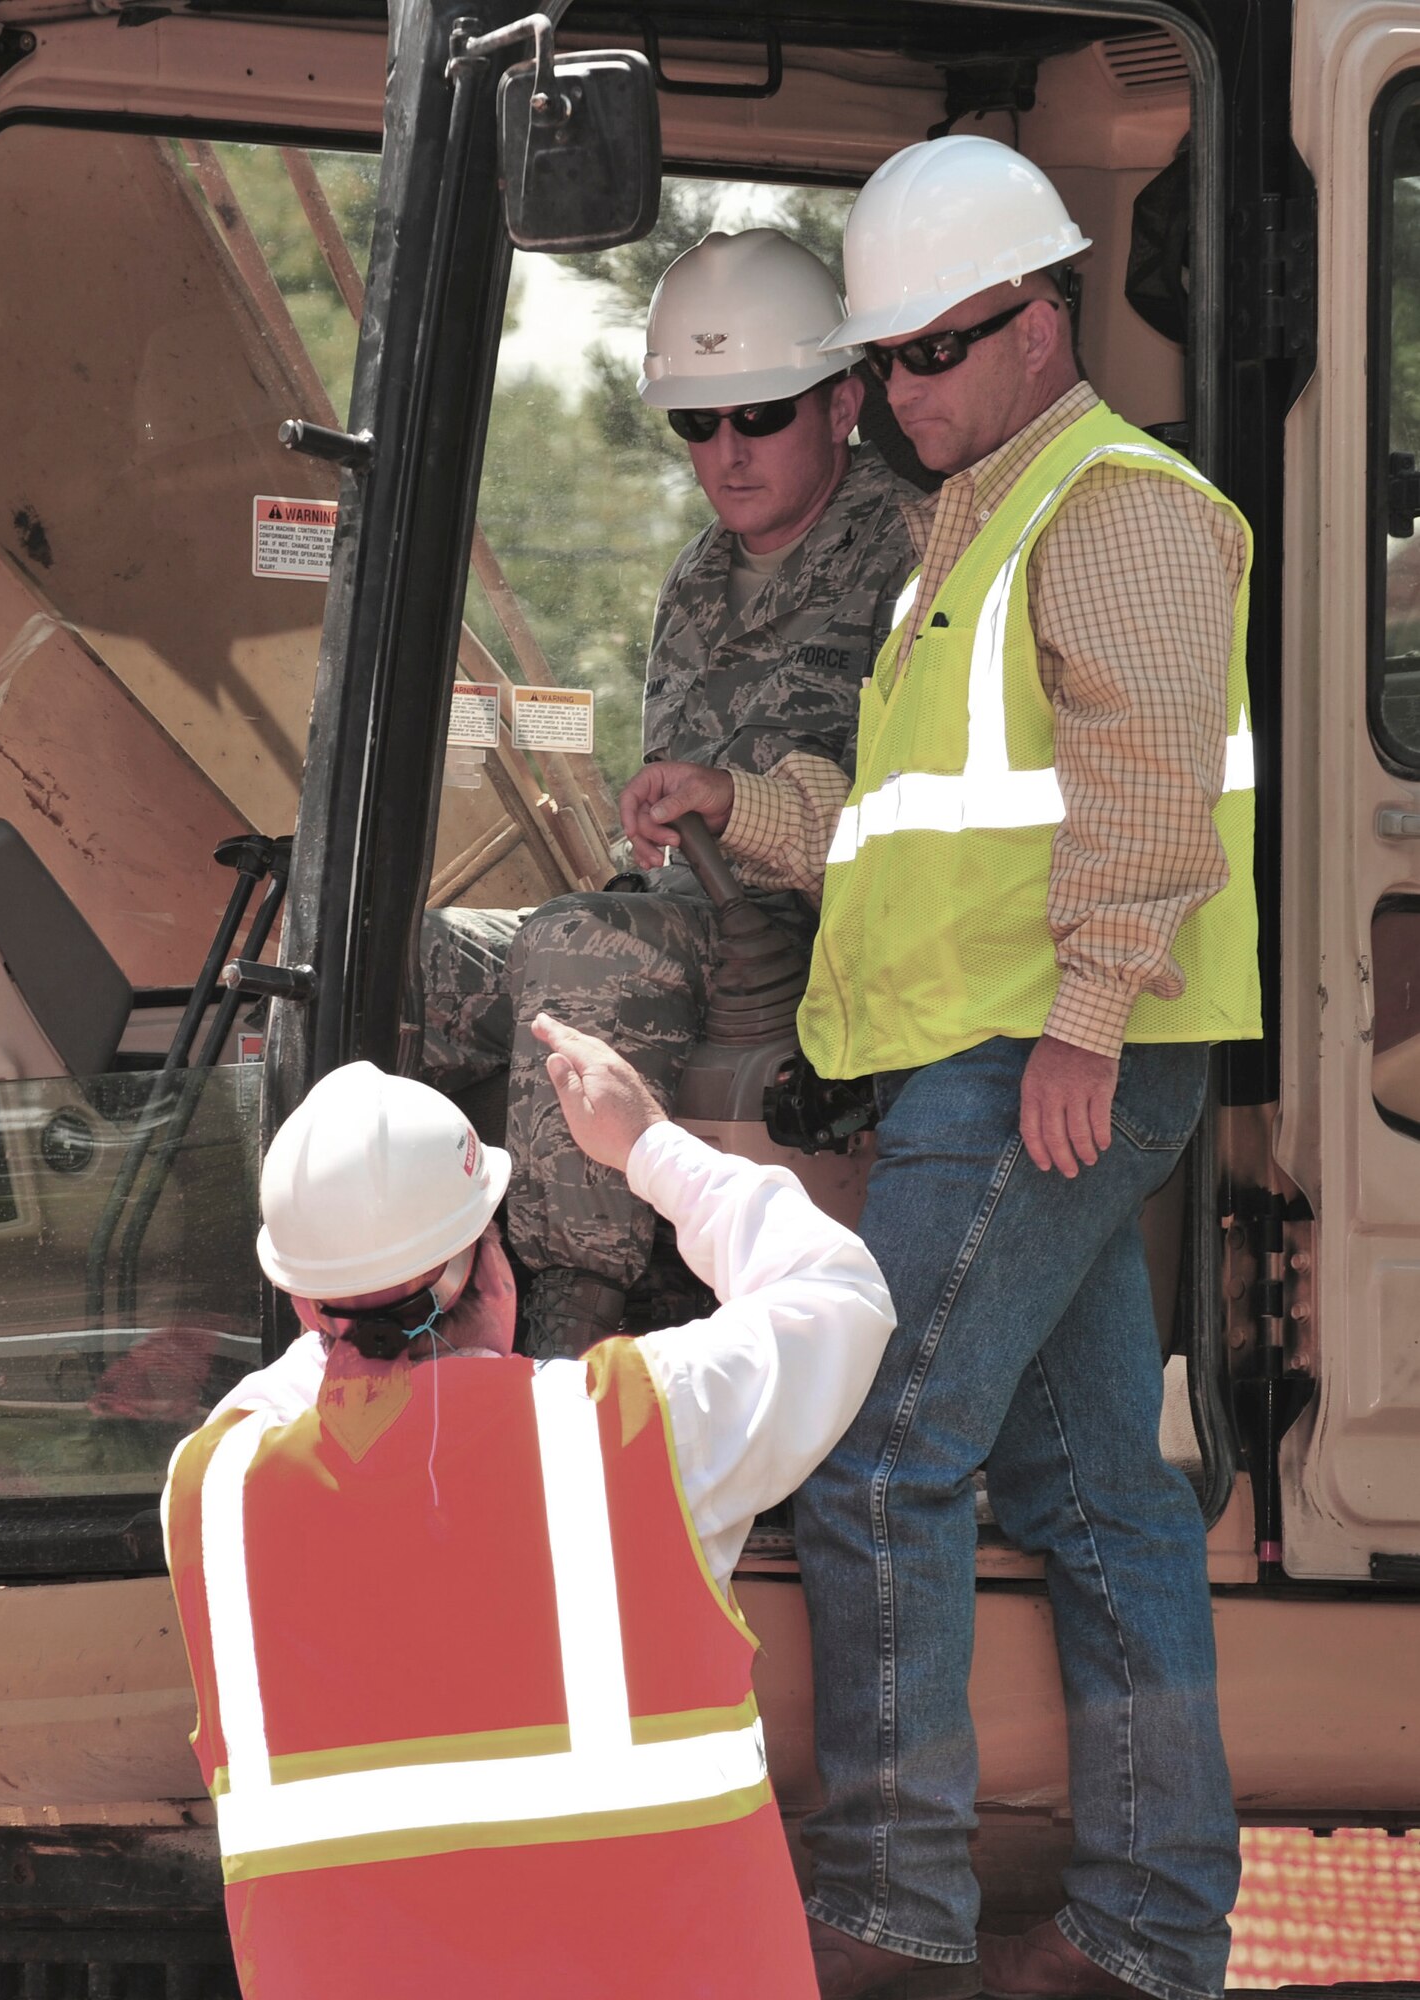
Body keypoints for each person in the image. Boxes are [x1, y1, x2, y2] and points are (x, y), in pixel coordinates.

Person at [642, 137, 1261, 2000]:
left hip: (1035, 1055)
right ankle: (1147, 1930)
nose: (901, 391)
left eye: (936, 351)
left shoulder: (1115, 504)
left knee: (879, 1444)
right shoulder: (967, 528)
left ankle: (888, 1907)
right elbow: (908, 823)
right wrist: (735, 804)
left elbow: (1149, 782)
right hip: (963, 1052)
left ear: (1039, 315)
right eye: (888, 356)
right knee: (1088, 1496)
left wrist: (1085, 1021)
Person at [160, 1013, 895, 2000]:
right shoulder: (637, 1426)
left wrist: (361, 1275)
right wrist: (647, 1142)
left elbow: (315, 1366)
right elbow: (835, 1290)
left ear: (300, 1303)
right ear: (489, 1262)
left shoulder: (211, 1490)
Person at [420, 225, 920, 1355]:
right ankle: (411, 1293)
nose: (727, 450)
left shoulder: (911, 556)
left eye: (761, 415)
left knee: (582, 947)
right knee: (410, 958)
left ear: (843, 404)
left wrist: (733, 802)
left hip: (818, 933)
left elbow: (913, 814)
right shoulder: (699, 572)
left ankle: (564, 1326)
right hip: (686, 910)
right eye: (698, 422)